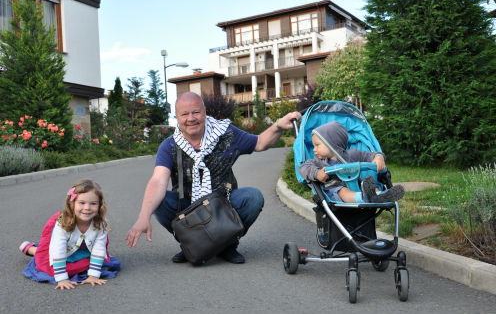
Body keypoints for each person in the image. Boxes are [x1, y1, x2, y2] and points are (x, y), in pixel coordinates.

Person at [126, 91, 301, 264]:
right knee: (159, 201)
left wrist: (278, 125)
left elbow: (260, 142)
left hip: (223, 203)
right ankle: (191, 245)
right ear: (176, 118)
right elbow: (158, 180)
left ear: (204, 112)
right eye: (184, 114)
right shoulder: (169, 146)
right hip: (188, 208)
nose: (191, 118)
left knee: (253, 198)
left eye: (196, 112)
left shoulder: (226, 133)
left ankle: (227, 245)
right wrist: (143, 217)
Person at [19, 179, 120, 289]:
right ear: (72, 204)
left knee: (92, 265)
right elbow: (58, 250)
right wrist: (62, 279)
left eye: (93, 203)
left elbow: (99, 248)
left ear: (100, 205)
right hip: (62, 249)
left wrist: (93, 275)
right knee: (46, 262)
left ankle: (35, 250)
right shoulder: (63, 224)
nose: (87, 208)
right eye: (82, 203)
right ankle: (31, 249)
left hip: (82, 252)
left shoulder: (99, 223)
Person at [298, 121, 404, 203]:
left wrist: (378, 157)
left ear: (331, 143)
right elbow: (303, 167)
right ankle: (365, 198)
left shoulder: (352, 155)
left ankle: (381, 195)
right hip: (334, 192)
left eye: (317, 145)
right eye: (313, 146)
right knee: (342, 191)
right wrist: (317, 173)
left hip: (358, 187)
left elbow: (370, 155)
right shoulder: (318, 162)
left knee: (370, 184)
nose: (314, 149)